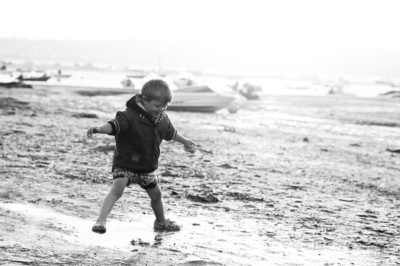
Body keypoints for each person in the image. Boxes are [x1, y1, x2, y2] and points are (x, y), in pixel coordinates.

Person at [87, 78, 196, 234]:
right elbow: (114, 125)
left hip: (146, 166)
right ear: (144, 100)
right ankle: (100, 221)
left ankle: (160, 221)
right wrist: (99, 128)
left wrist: (184, 141)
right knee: (117, 190)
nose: (161, 109)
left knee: (157, 195)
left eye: (165, 106)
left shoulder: (163, 119)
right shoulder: (129, 115)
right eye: (157, 105)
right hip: (125, 163)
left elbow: (171, 133)